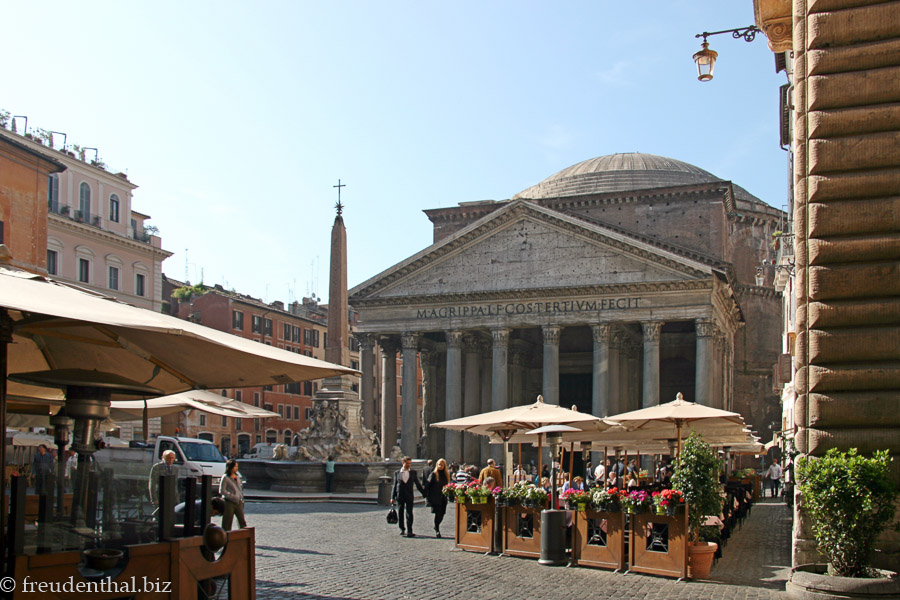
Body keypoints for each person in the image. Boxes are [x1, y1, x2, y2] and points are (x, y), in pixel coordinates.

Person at [391, 456, 425, 538]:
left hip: (409, 495)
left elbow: (417, 484)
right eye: (407, 463)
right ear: (403, 463)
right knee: (400, 512)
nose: (409, 465)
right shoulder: (397, 472)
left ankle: (410, 530)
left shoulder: (413, 472)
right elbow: (395, 485)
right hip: (400, 495)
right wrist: (392, 497)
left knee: (409, 513)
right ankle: (402, 529)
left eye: (410, 463)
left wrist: (424, 493)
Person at [423, 458, 450, 538]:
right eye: (439, 465)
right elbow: (427, 484)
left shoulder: (446, 475)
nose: (440, 466)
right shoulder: (434, 474)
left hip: (443, 497)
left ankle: (436, 526)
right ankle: (437, 529)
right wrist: (425, 494)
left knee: (442, 514)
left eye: (442, 465)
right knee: (438, 513)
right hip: (436, 497)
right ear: (436, 465)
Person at [219, 459, 246, 530]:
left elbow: (239, 488)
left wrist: (241, 497)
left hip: (238, 501)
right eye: (235, 466)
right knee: (227, 521)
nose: (236, 468)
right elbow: (222, 490)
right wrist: (231, 496)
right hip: (229, 502)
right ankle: (225, 536)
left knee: (242, 520)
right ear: (230, 467)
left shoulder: (237, 476)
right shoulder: (225, 477)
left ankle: (244, 535)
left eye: (237, 466)